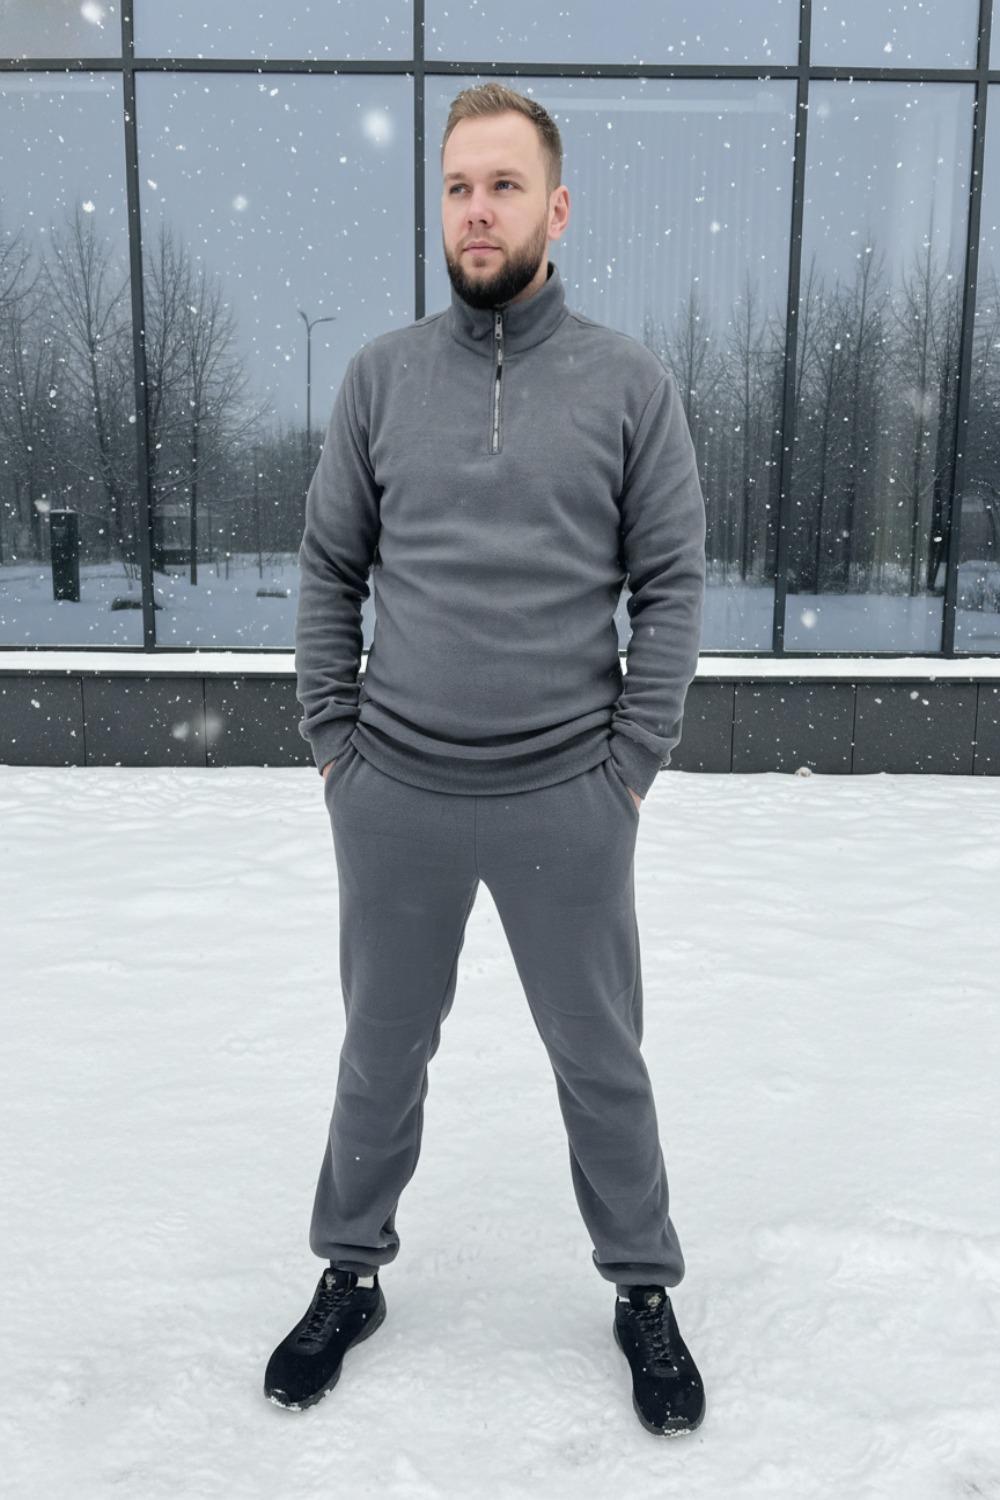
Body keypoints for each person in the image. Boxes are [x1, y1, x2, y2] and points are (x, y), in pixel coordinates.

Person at [265, 82, 707, 1437]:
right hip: (395, 790)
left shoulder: (628, 383)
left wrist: (630, 766)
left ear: (554, 209)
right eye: (459, 186)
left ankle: (641, 1288)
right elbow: (330, 567)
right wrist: (335, 744)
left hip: (567, 795)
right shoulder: (381, 377)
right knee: (379, 1054)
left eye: (504, 186)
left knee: (602, 1060)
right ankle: (350, 1271)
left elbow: (672, 583)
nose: (477, 210)